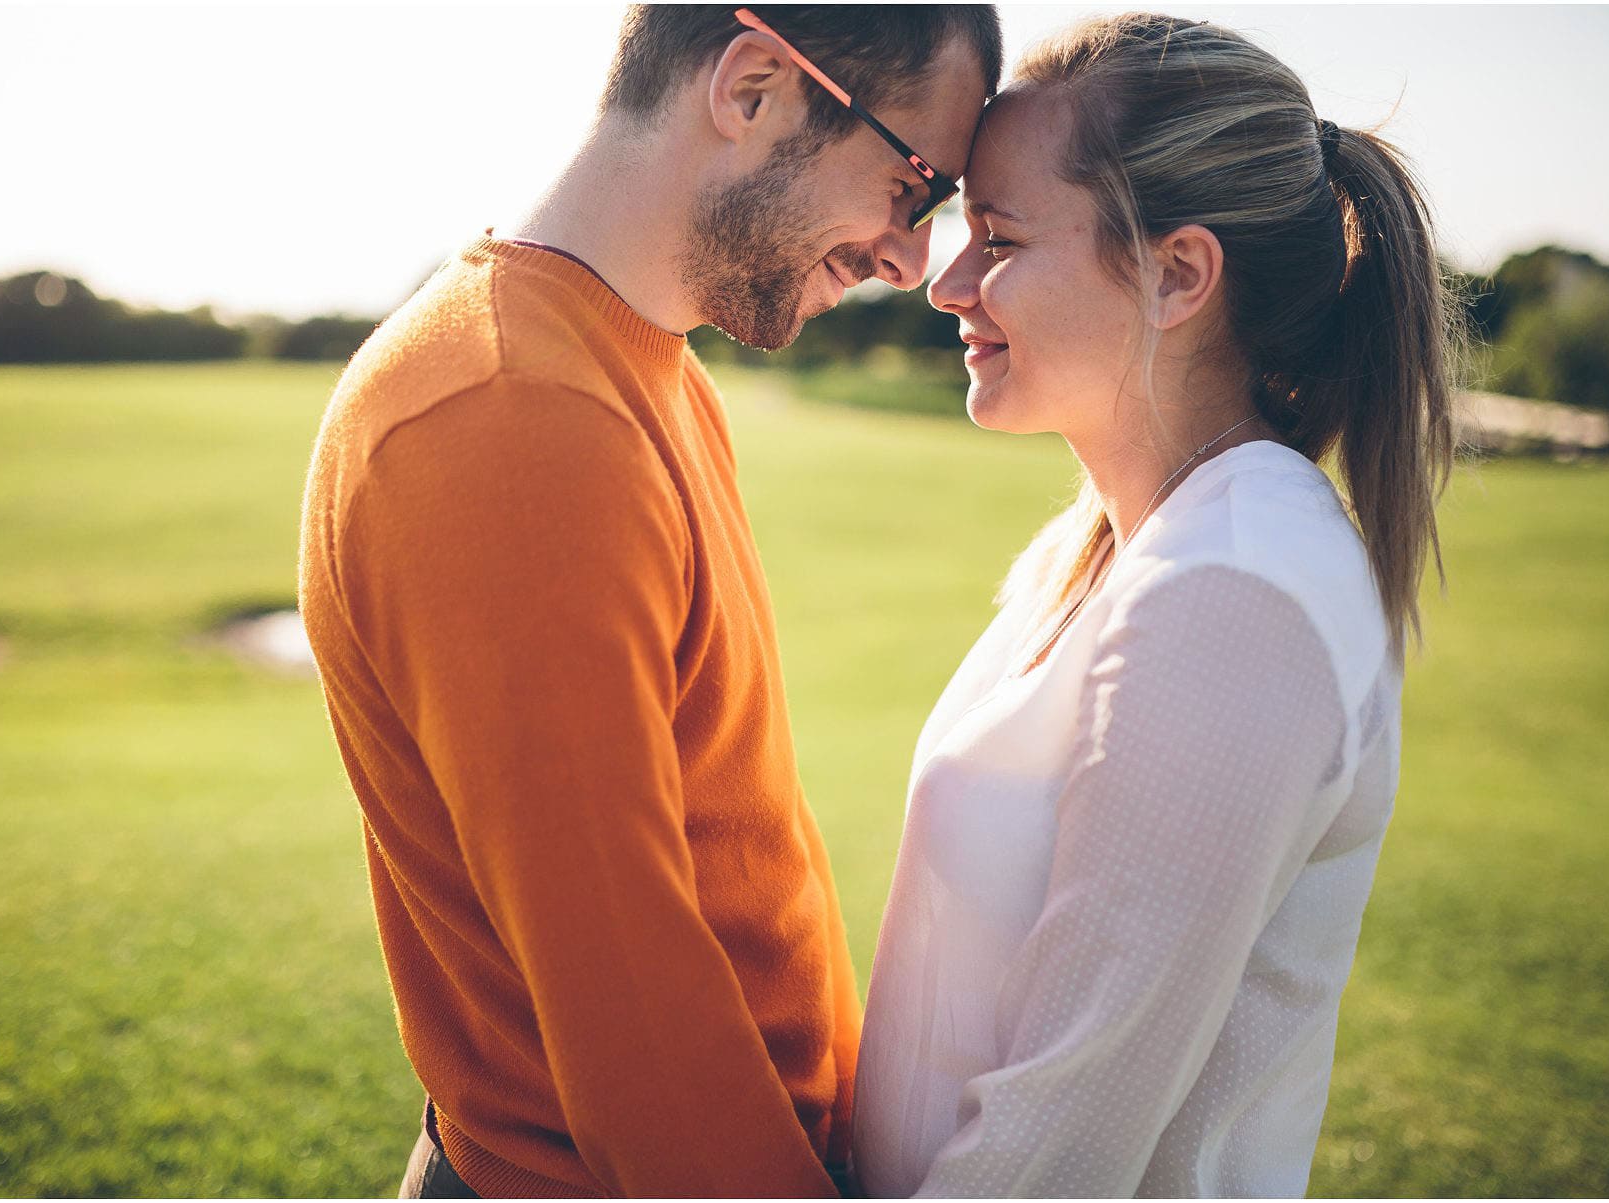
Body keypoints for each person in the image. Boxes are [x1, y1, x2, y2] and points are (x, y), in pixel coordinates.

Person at [297, 5, 1001, 1197]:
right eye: (914, 185)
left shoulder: (635, 367)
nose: (909, 260)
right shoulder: (511, 416)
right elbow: (627, 996)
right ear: (755, 87)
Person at [850, 12, 1456, 1198]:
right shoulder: (1107, 546)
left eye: (1002, 237)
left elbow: (1064, 1138)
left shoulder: (1234, 589)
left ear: (1178, 274)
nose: (951, 283)